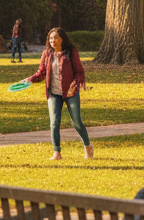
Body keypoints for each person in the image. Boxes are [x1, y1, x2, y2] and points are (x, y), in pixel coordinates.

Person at [27, 27, 94, 161]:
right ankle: (57, 153)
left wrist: (76, 83)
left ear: (62, 38)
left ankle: (88, 146)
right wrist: (29, 79)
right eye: (51, 38)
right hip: (53, 93)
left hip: (70, 93)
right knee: (54, 123)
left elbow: (80, 72)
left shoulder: (71, 52)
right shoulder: (47, 53)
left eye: (55, 38)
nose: (53, 40)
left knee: (77, 122)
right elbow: (41, 73)